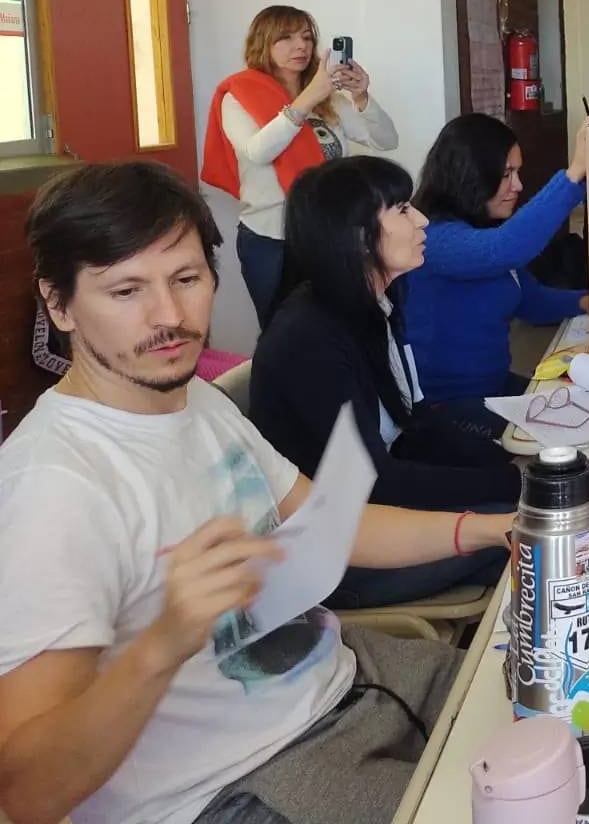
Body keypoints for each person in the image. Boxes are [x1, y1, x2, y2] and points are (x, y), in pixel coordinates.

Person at [0, 161, 515, 824]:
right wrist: (163, 642)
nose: (169, 316)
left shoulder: (197, 405)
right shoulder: (53, 488)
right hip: (235, 786)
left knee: (558, 714)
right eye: (126, 291)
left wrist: (489, 527)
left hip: (347, 683)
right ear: (59, 302)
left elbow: (333, 525)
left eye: (186, 279)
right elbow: (28, 793)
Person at [251, 157, 519, 609]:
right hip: (338, 555)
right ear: (356, 234)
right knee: (533, 536)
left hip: (380, 513)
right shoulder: (310, 337)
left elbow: (412, 429)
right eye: (402, 210)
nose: (423, 220)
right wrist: (507, 485)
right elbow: (377, 480)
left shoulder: (374, 302)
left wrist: (508, 469)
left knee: (529, 506)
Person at [201, 6, 398, 325]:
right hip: (270, 237)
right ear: (263, 42)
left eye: (307, 38)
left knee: (337, 325)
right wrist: (306, 100)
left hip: (329, 231)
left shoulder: (328, 99)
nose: (301, 46)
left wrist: (361, 96)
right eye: (287, 37)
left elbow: (386, 140)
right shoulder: (238, 94)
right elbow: (258, 152)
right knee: (283, 330)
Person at [406, 113, 589, 404]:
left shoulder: (479, 228)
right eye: (506, 174)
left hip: (492, 387)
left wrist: (585, 302)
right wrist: (574, 174)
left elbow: (528, 299)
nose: (517, 185)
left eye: (517, 173)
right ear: (469, 175)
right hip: (446, 406)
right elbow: (505, 248)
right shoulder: (433, 238)